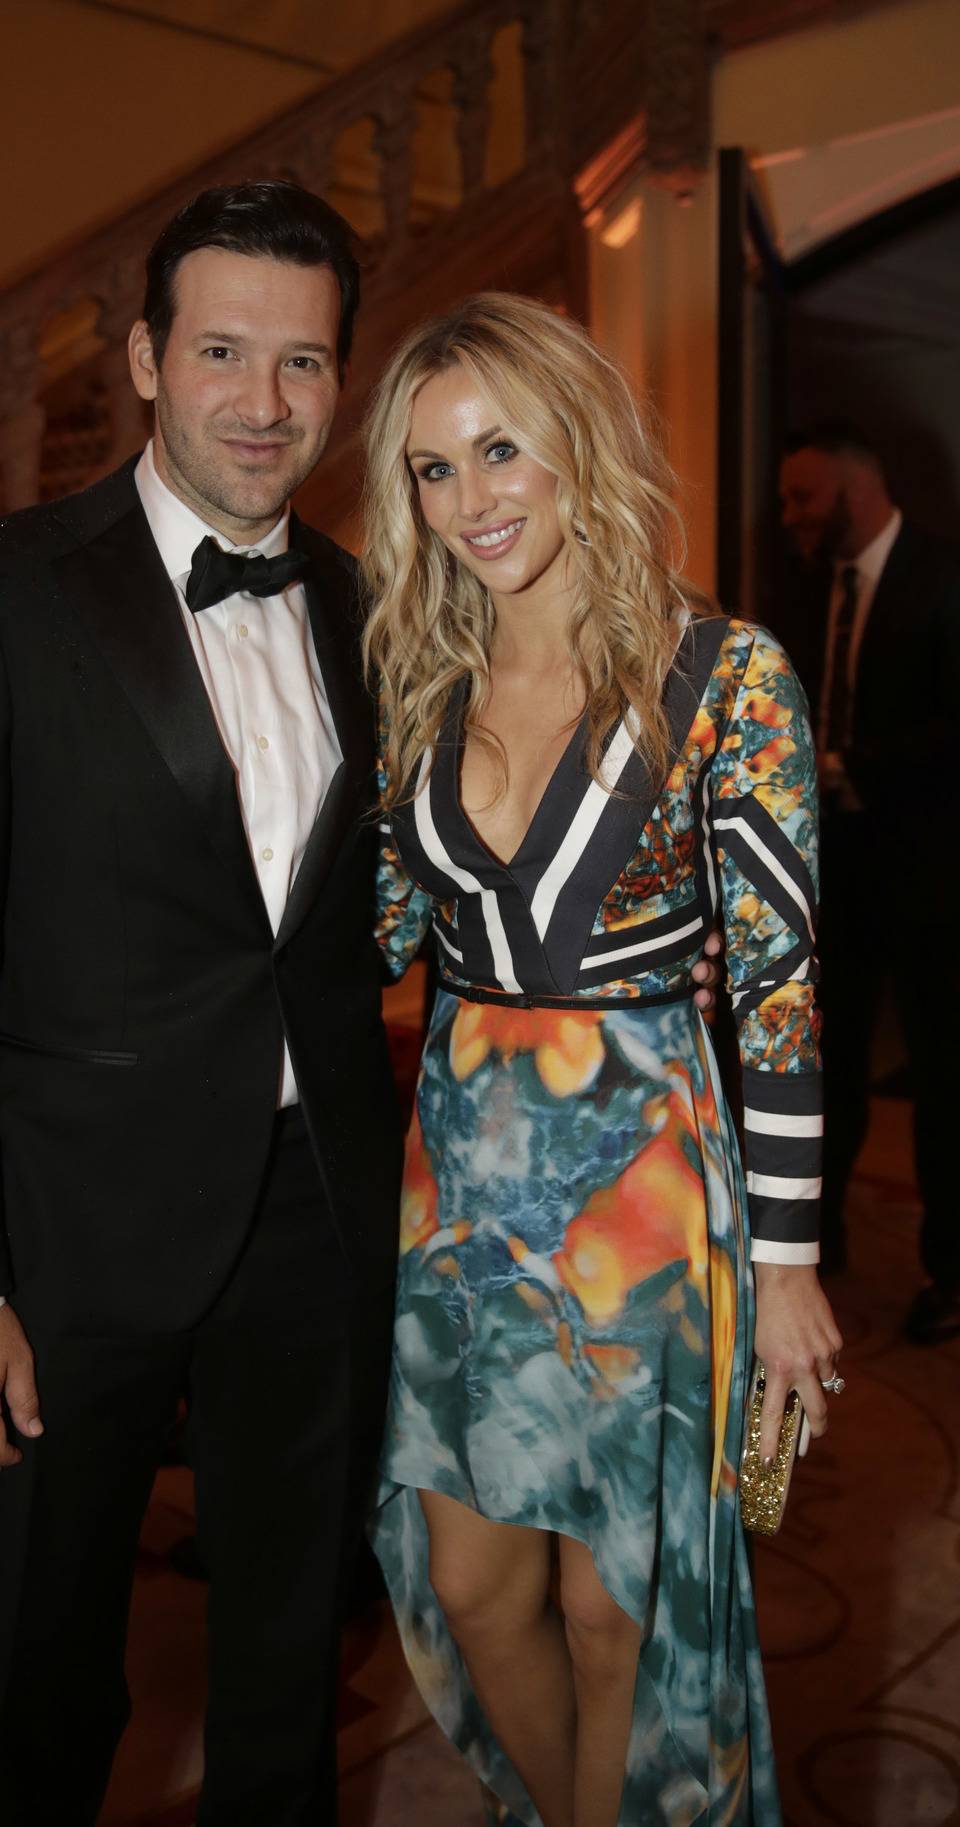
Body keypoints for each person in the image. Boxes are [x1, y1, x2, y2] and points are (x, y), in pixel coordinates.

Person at [0, 180, 405, 1827]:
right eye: (224, 350)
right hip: (62, 1238)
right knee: (43, 1665)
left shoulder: (372, 612)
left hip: (313, 1215)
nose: (265, 402)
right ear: (147, 358)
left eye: (304, 363)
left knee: (293, 1645)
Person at [363, 295, 842, 1827]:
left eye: (501, 447)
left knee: (610, 1605)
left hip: (642, 1197)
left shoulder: (725, 679)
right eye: (433, 469)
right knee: (470, 1578)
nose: (471, 499)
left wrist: (787, 1266)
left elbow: (777, 988)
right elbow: (368, 936)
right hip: (459, 1208)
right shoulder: (418, 685)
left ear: (579, 440)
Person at [778, 425, 960, 1341]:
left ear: (858, 481)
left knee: (942, 1073)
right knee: (827, 1058)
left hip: (934, 876)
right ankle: (822, 1234)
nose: (792, 518)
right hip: (834, 873)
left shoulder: (943, 573)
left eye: (805, 497)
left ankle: (951, 1271)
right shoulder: (809, 589)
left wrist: (849, 764)